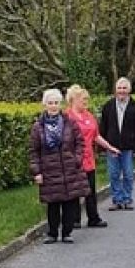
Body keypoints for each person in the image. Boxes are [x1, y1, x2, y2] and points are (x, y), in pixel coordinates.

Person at [29, 89, 90, 244]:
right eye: (50, 103)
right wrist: (37, 171)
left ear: (60, 104)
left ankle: (67, 232)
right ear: (45, 105)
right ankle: (52, 233)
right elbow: (34, 151)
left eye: (56, 103)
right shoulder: (38, 127)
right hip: (49, 170)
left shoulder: (70, 123)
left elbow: (80, 143)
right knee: (53, 204)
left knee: (69, 202)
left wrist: (77, 159)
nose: (53, 106)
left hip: (69, 168)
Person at [65, 84, 119, 227]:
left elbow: (96, 136)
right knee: (75, 190)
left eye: (86, 99)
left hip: (88, 158)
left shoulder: (89, 115)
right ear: (73, 100)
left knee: (90, 189)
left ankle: (93, 217)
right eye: (83, 99)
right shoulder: (67, 117)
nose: (85, 102)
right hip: (73, 158)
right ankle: (74, 219)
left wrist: (109, 147)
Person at [98, 77, 135, 210]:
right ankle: (117, 200)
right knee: (113, 174)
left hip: (128, 147)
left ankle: (127, 199)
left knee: (128, 174)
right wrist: (102, 147)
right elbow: (103, 127)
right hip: (112, 146)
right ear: (115, 90)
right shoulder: (108, 106)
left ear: (129, 90)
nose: (122, 91)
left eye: (124, 88)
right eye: (119, 88)